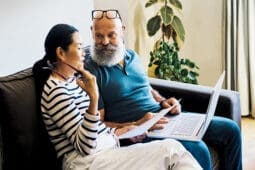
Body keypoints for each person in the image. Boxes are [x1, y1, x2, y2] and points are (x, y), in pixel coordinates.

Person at [85, 9, 242, 170]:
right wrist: (137, 124)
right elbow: (99, 125)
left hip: (164, 117)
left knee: (231, 130)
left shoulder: (132, 56)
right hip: (142, 131)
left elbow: (146, 87)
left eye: (111, 35)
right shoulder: (90, 69)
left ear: (122, 31)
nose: (104, 42)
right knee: (198, 148)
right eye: (99, 36)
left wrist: (163, 101)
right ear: (92, 32)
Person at [32, 24, 201, 170]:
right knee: (171, 150)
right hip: (85, 163)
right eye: (78, 47)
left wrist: (126, 130)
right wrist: (94, 97)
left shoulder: (72, 82)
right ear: (61, 53)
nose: (84, 52)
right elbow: (85, 145)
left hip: (103, 154)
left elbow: (95, 130)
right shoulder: (56, 92)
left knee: (172, 154)